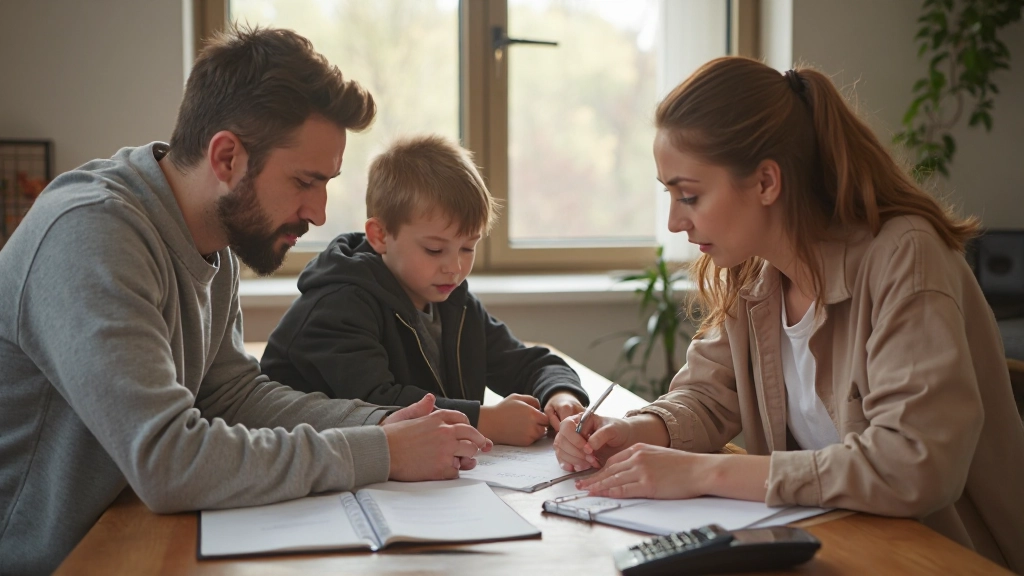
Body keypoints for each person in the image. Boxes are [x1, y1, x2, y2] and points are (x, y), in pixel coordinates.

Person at [0, 27, 490, 576]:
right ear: (227, 156)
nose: (321, 213)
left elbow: (231, 394)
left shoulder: (215, 244)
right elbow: (168, 460)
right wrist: (382, 452)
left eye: (326, 183)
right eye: (305, 181)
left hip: (128, 531)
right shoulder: (89, 234)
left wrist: (389, 425)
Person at [553, 57, 1024, 571]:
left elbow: (913, 465)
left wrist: (703, 474)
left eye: (689, 195)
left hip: (941, 557)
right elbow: (707, 397)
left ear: (766, 183)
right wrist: (633, 431)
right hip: (833, 545)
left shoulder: (905, 256)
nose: (673, 221)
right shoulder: (757, 272)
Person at [261, 135, 589, 446]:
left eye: (468, 248)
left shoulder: (451, 300)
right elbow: (376, 405)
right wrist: (483, 421)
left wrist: (560, 395)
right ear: (379, 236)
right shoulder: (338, 305)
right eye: (435, 250)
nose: (454, 267)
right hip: (310, 471)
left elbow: (527, 363)